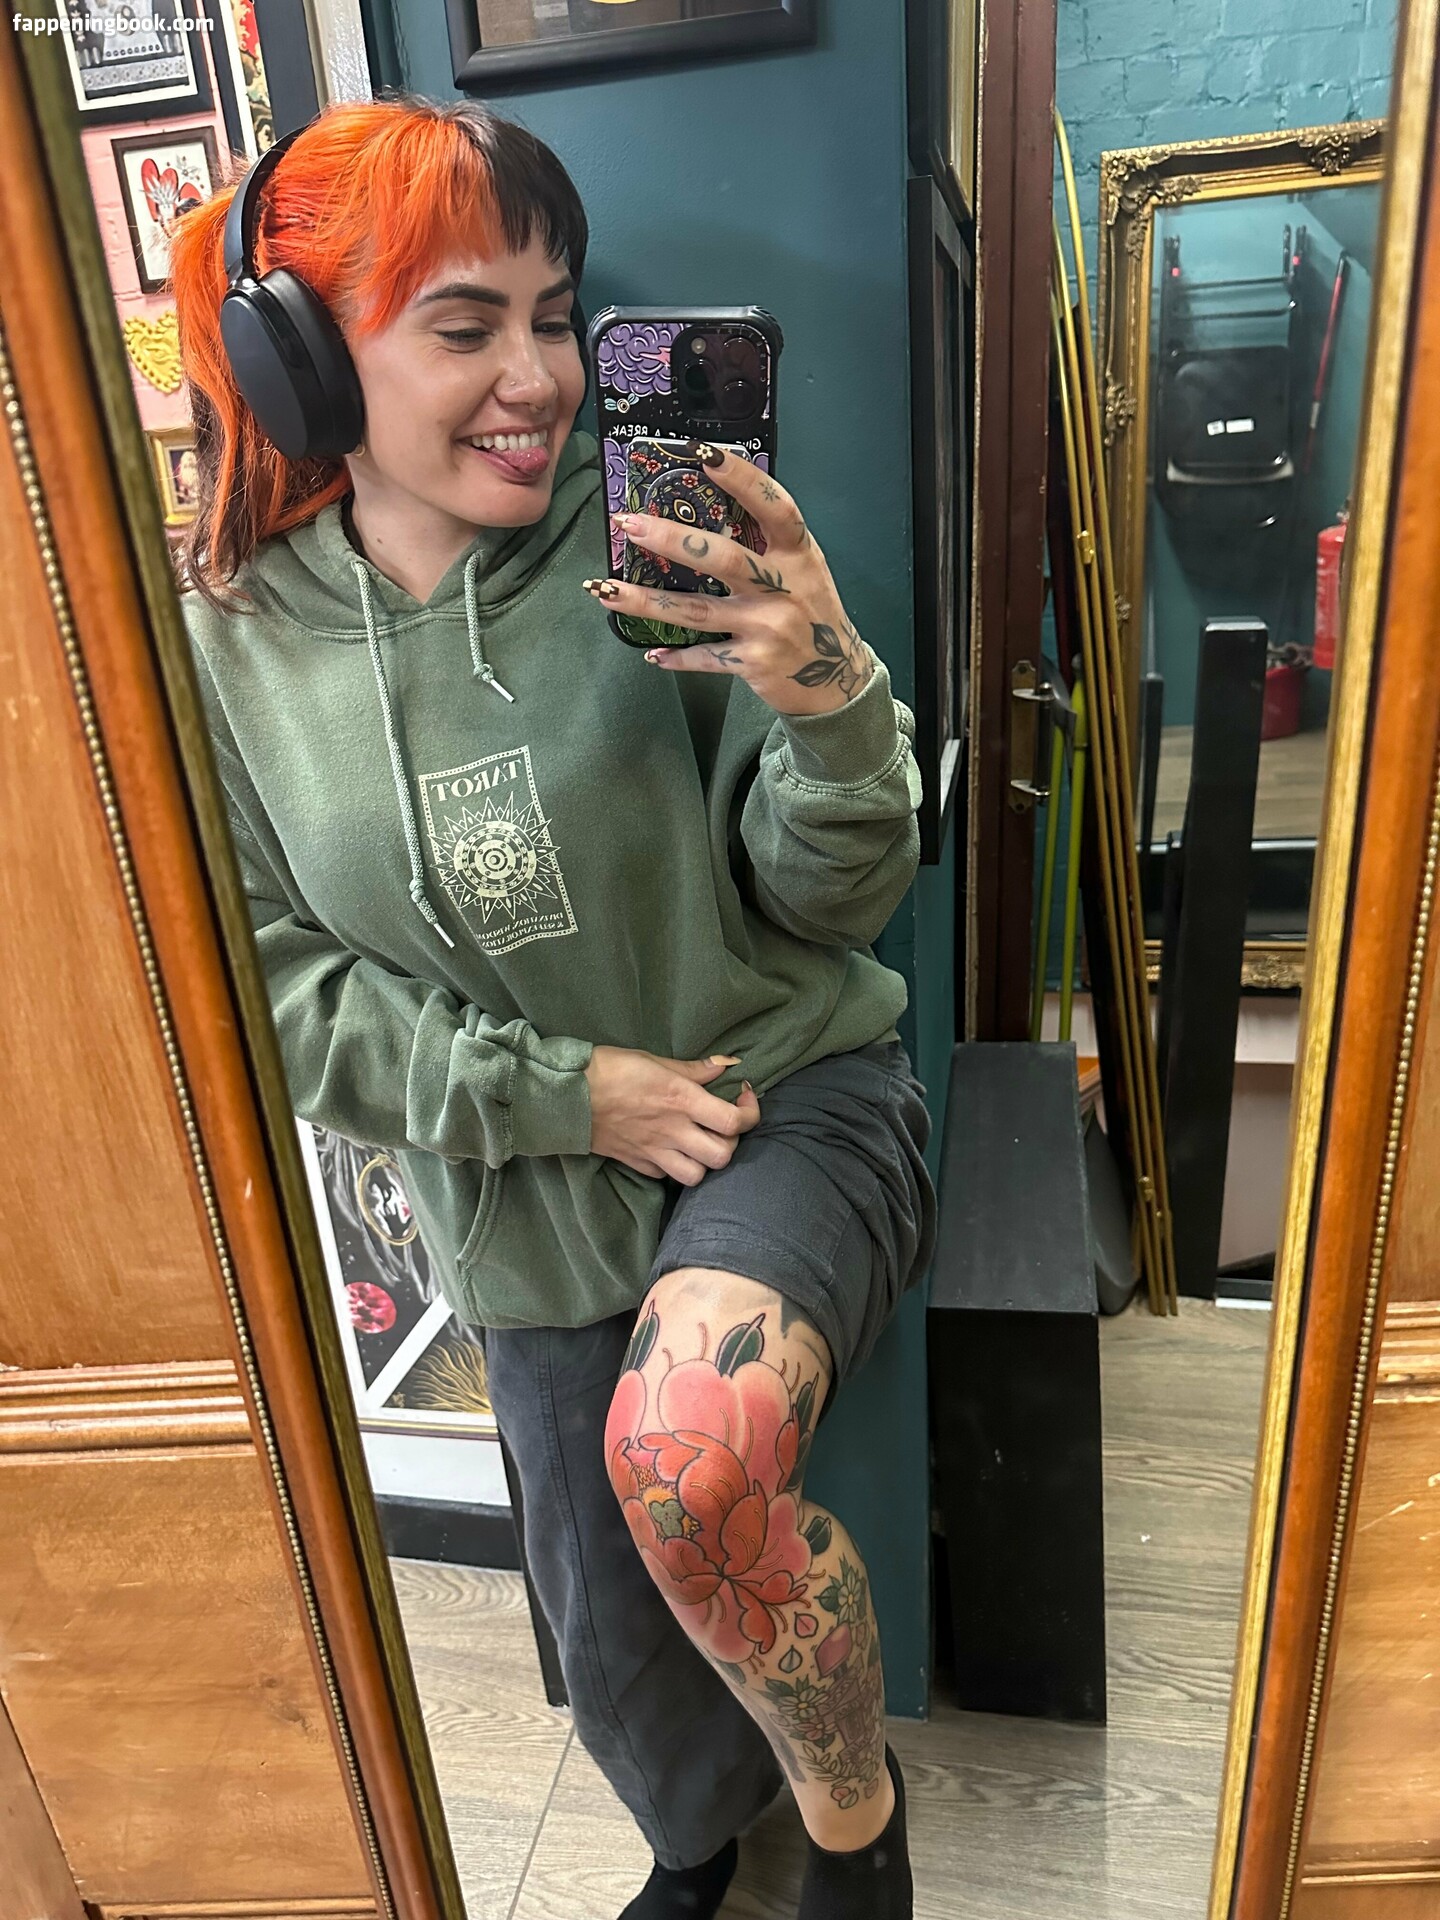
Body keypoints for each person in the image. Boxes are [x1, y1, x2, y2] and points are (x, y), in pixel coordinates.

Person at [171, 96, 937, 1920]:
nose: (538, 378)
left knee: (691, 1459)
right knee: (608, 1652)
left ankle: (856, 1836)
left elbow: (829, 902)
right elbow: (270, 989)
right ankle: (699, 1849)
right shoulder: (225, 645)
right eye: (466, 327)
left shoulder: (663, 542)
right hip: (521, 1184)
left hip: (784, 1087)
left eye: (555, 316)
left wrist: (831, 708)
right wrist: (567, 1094)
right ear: (300, 360)